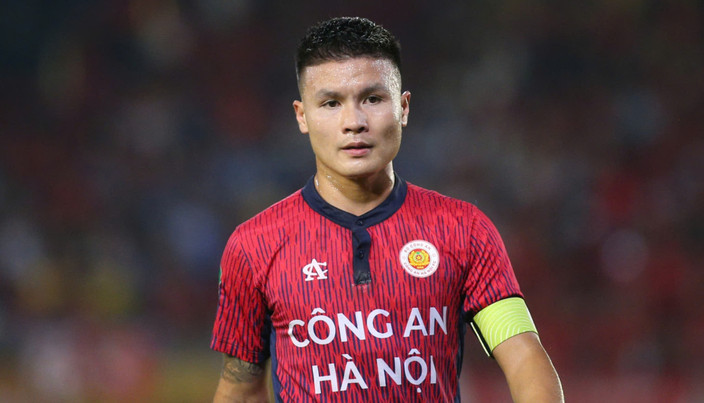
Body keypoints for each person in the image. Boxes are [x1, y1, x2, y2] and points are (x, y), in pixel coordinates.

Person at [211, 16, 563, 402]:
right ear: (302, 116)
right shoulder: (254, 246)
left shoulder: (464, 230)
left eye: (373, 99)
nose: (354, 122)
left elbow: (524, 358)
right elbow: (241, 391)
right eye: (331, 103)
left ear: (404, 107)